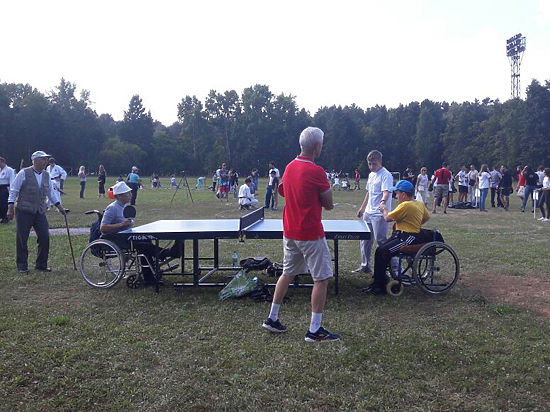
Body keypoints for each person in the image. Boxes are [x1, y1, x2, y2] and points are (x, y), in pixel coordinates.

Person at [262, 127, 339, 342]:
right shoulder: (316, 172)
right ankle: (315, 330)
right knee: (321, 279)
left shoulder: (288, 167)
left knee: (287, 273)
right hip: (310, 233)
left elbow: (283, 191)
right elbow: (329, 204)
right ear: (316, 147)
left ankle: (272, 318)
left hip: (290, 232)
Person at [100, 181, 181, 285]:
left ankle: (152, 271)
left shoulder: (124, 206)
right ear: (119, 196)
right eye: (127, 193)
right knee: (144, 247)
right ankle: (167, 254)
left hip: (128, 237)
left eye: (130, 192)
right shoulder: (112, 208)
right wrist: (121, 225)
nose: (130, 195)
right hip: (118, 240)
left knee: (147, 240)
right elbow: (103, 228)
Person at [363, 180, 430, 295]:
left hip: (407, 238)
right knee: (381, 251)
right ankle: (378, 282)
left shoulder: (405, 205)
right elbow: (426, 218)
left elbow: (388, 218)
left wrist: (383, 208)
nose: (396, 196)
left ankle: (379, 285)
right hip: (403, 235)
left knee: (382, 252)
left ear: (403, 195)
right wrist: (415, 223)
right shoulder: (419, 203)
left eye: (397, 194)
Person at [6, 151, 67, 273]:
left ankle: (41, 265)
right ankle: (22, 266)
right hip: (24, 210)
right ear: (34, 160)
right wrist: (10, 207)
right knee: (22, 238)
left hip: (39, 211)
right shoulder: (23, 173)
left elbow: (51, 193)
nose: (45, 161)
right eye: (42, 159)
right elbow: (13, 190)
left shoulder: (46, 175)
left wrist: (60, 208)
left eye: (46, 159)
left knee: (45, 237)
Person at [353, 150, 393, 274]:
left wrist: (382, 202)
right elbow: (369, 193)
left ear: (380, 162)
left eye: (374, 164)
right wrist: (362, 208)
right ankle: (365, 266)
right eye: (369, 164)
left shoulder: (386, 175)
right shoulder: (371, 175)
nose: (371, 167)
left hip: (379, 214)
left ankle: (395, 268)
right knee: (365, 240)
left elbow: (386, 192)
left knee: (381, 241)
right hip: (368, 213)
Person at [0, 157, 16, 223]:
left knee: (5, 203)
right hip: (0, 188)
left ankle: (7, 218)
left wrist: (11, 191)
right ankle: (2, 217)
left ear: (2, 162)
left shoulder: (10, 170)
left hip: (6, 188)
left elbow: (12, 181)